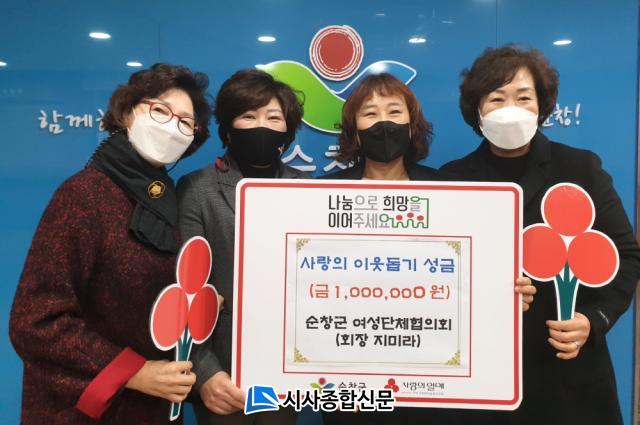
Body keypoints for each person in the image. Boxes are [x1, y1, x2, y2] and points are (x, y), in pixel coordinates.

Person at [441, 45, 640, 425]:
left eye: (523, 97)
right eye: (496, 98)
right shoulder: (454, 178)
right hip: (484, 370)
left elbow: (627, 255)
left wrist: (593, 319)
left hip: (567, 370)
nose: (510, 108)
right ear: (477, 109)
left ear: (542, 105)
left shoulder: (580, 168)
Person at [322, 73, 535, 425]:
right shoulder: (320, 194)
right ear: (354, 130)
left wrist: (505, 293)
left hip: (433, 376)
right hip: (350, 375)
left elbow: (474, 268)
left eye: (395, 111)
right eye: (370, 114)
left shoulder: (448, 189)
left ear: (412, 126)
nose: (384, 123)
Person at [9, 63, 213, 424]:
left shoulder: (166, 201)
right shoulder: (84, 195)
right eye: (160, 110)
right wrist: (131, 371)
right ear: (128, 112)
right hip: (88, 409)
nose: (172, 127)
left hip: (155, 407)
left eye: (185, 122)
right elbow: (35, 320)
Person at [177, 69, 307, 425]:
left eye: (273, 117)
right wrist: (205, 371)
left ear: (288, 129)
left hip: (287, 366)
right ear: (228, 128)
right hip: (222, 371)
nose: (261, 125)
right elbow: (184, 289)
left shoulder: (308, 189)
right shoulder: (197, 189)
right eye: (248, 116)